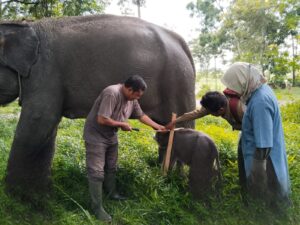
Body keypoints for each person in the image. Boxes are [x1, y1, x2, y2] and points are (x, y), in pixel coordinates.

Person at [83, 75, 165, 222]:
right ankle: (97, 207)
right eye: (136, 95)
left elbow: (140, 115)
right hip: (96, 135)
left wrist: (157, 126)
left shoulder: (132, 98)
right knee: (96, 170)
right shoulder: (111, 93)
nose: (137, 98)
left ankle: (112, 193)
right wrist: (121, 124)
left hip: (110, 135)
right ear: (128, 89)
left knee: (111, 165)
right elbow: (102, 119)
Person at [221, 62, 291, 206]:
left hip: (265, 159)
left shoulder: (260, 102)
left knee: (269, 193)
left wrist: (257, 176)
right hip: (260, 153)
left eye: (236, 87)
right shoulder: (260, 90)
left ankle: (270, 212)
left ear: (244, 81)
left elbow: (263, 144)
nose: (235, 91)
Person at [165, 91, 247, 191]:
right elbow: (196, 113)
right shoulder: (214, 104)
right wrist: (174, 121)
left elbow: (255, 125)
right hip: (243, 128)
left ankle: (251, 188)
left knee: (248, 155)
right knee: (242, 153)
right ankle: (243, 184)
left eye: (211, 113)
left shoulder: (239, 109)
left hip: (254, 129)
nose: (208, 113)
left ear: (221, 110)